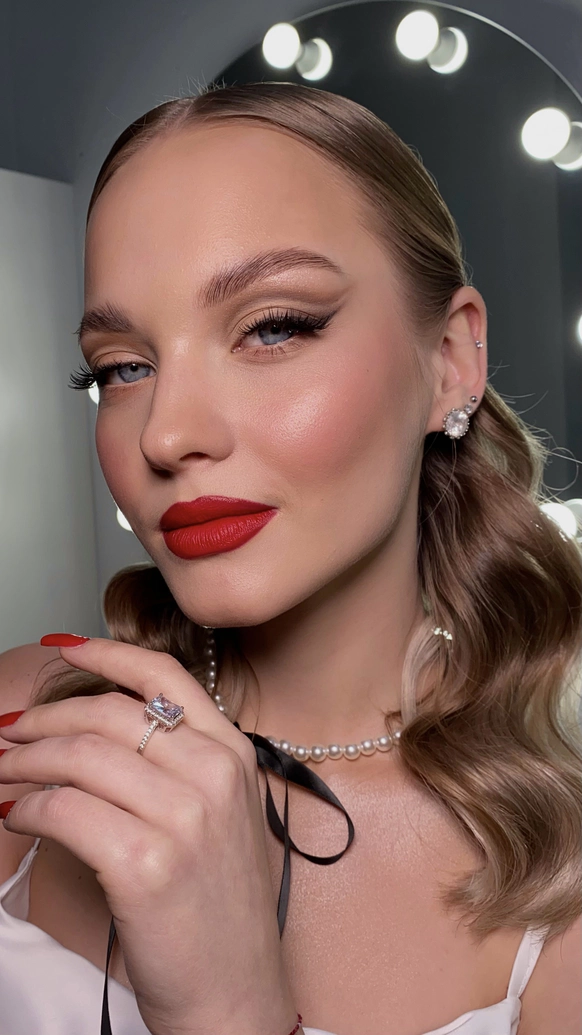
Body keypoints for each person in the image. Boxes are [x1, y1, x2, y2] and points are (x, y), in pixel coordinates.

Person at [0, 81, 580, 1035]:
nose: (167, 434)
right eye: (122, 367)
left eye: (274, 326)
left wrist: (228, 1008)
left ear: (450, 359)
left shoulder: (557, 875)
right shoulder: (33, 730)